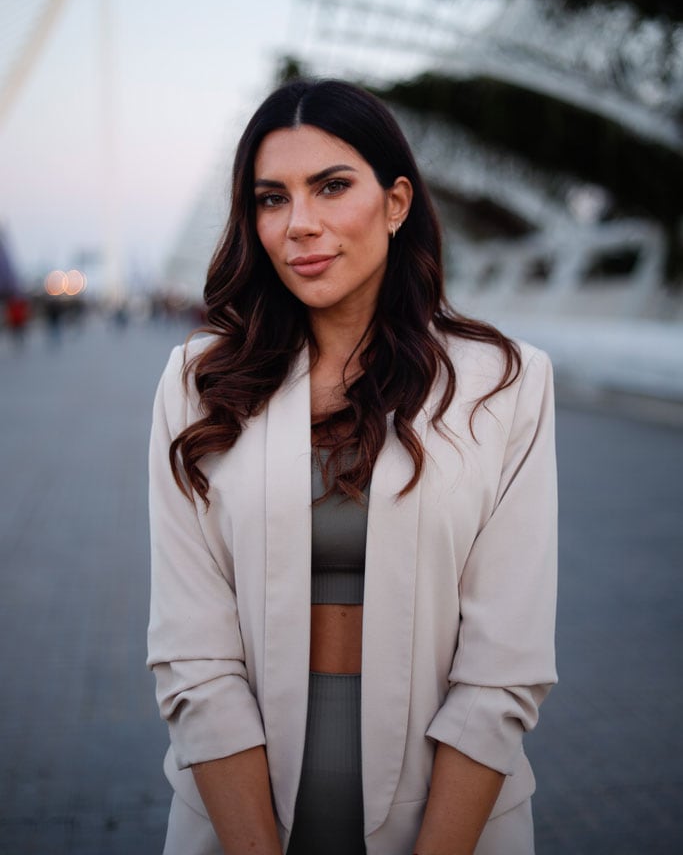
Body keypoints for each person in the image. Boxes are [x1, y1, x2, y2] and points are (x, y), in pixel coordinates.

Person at [147, 78, 558, 855]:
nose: (300, 224)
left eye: (331, 187)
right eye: (272, 198)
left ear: (396, 202)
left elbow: (505, 665)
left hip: (455, 817)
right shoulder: (198, 384)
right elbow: (191, 655)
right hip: (236, 812)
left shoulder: (502, 383)